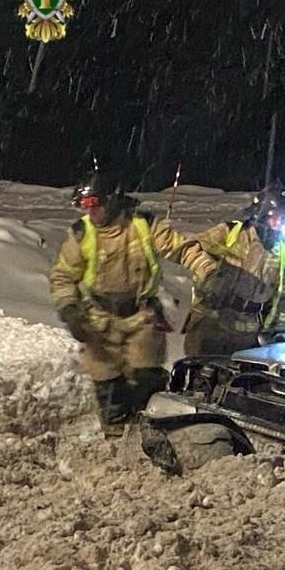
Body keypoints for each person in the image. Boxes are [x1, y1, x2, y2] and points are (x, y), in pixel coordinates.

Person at [49, 171, 197, 435]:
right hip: (99, 320)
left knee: (146, 382)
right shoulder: (83, 234)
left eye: (96, 205)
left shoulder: (143, 225)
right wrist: (70, 310)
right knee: (108, 388)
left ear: (113, 199)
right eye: (85, 207)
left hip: (141, 317)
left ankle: (152, 435)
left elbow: (181, 247)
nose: (91, 213)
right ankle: (116, 440)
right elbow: (62, 277)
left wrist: (204, 266)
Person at [181, 186, 285, 356]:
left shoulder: (283, 250)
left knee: (241, 381)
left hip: (247, 335)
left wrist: (281, 326)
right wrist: (209, 274)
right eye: (278, 217)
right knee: (202, 378)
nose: (280, 224)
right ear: (263, 213)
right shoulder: (231, 232)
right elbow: (191, 249)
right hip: (211, 324)